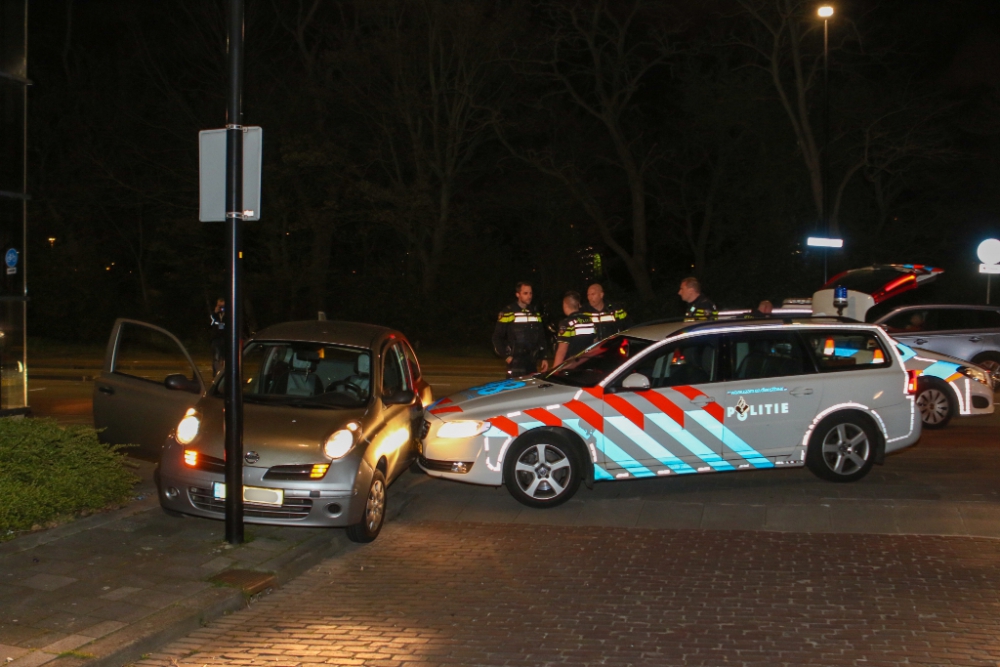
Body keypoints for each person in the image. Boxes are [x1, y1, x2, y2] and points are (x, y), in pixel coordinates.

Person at [492, 282, 550, 378]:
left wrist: (544, 357)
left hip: (531, 361)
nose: (529, 296)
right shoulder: (508, 311)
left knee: (530, 391)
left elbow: (541, 337)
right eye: (525, 293)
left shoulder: (535, 312)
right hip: (515, 362)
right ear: (518, 294)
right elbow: (497, 337)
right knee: (515, 390)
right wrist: (506, 356)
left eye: (530, 293)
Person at [553, 291, 597, 367]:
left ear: (565, 305)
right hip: (588, 364)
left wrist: (554, 371)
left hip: (572, 366)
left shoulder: (566, 323)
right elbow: (595, 342)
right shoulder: (589, 320)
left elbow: (562, 351)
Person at [210, 298, 226, 376]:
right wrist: (215, 313)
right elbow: (211, 323)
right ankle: (215, 374)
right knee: (216, 357)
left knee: (225, 357)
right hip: (216, 338)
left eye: (222, 306)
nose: (221, 308)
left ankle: (224, 374)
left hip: (225, 338)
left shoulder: (229, 314)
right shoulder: (214, 314)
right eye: (219, 306)